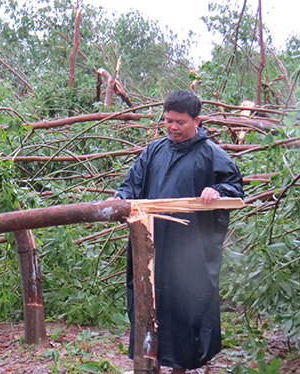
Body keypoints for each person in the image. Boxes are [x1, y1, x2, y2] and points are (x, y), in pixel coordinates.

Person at [113, 90, 244, 373]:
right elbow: (131, 185)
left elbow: (233, 187)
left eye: (180, 122)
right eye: (168, 120)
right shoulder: (154, 150)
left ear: (197, 121)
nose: (172, 127)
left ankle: (180, 367)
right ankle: (150, 362)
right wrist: (119, 199)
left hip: (189, 248)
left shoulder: (212, 155)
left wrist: (217, 191)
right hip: (151, 243)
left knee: (185, 305)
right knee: (149, 300)